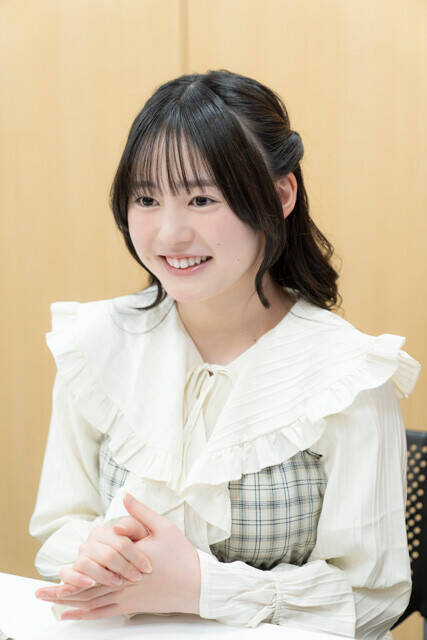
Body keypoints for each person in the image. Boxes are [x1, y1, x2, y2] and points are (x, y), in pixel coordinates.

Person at [29, 69, 421, 638]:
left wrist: (200, 587)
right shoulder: (95, 343)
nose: (169, 235)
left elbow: (371, 599)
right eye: (146, 198)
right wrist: (96, 551)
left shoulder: (348, 374)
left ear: (280, 196)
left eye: (202, 199)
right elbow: (59, 529)